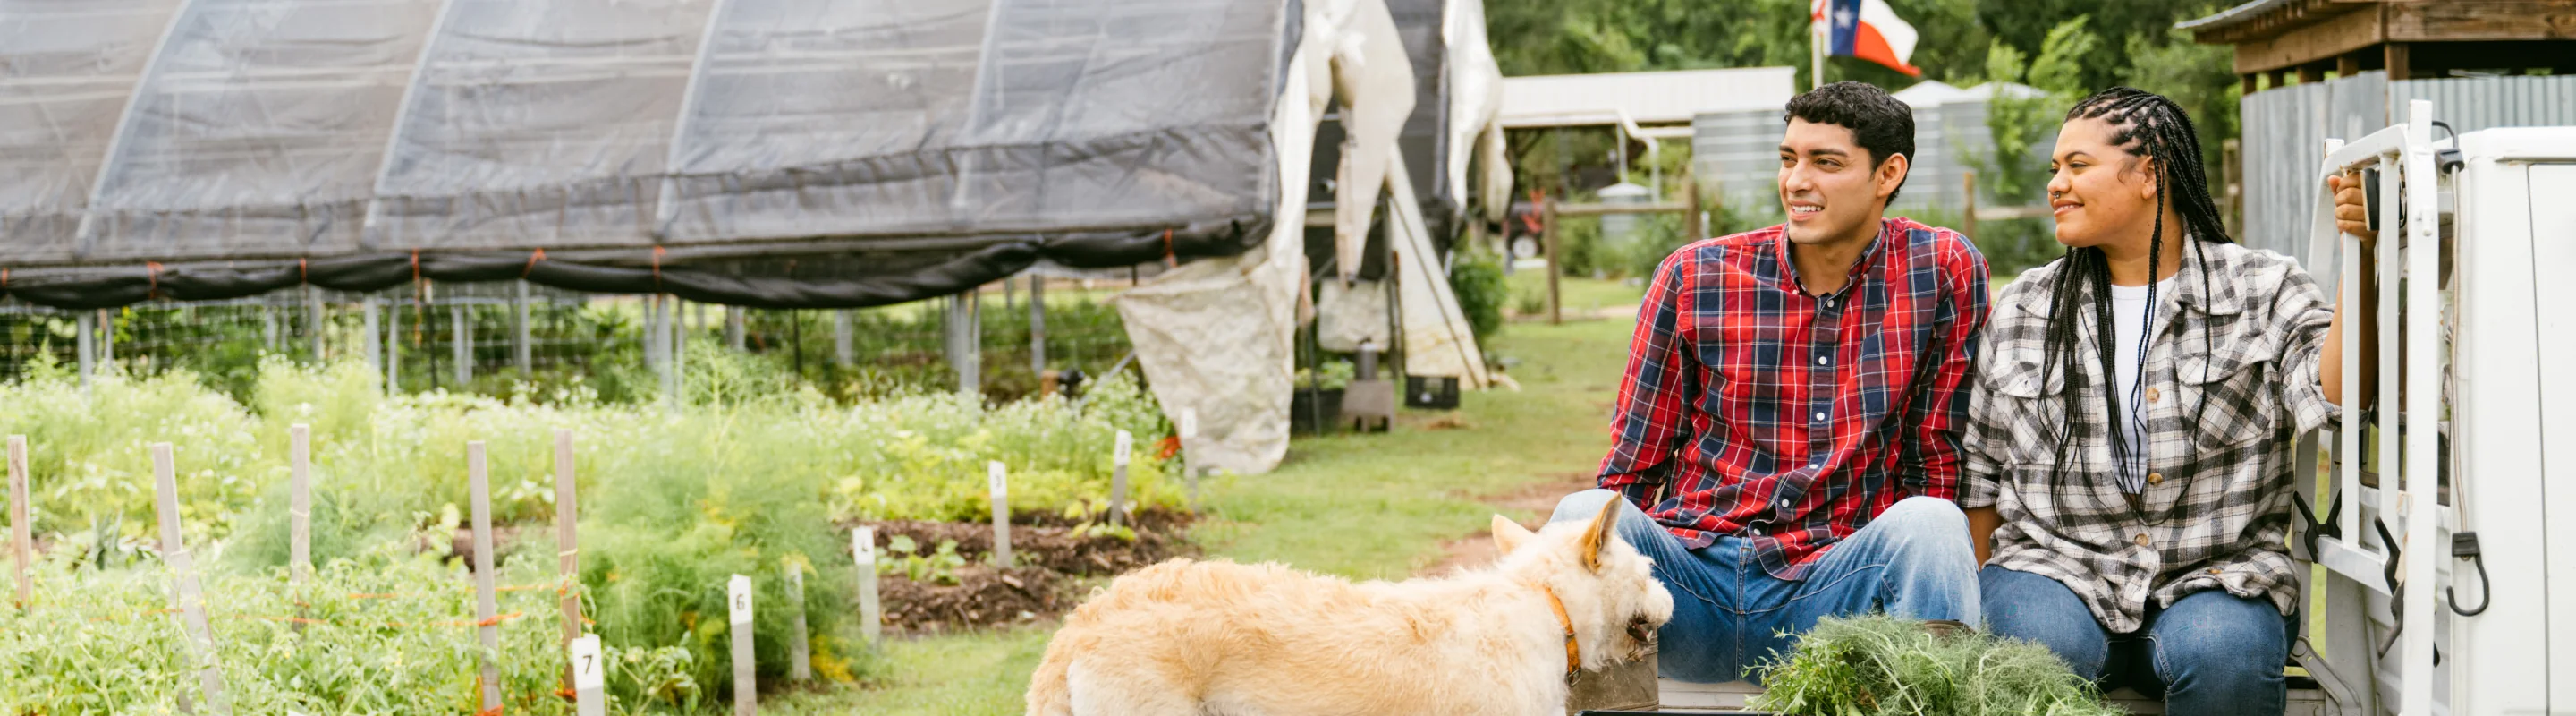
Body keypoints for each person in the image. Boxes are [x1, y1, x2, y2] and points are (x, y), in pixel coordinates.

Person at [1546, 81, 1989, 684]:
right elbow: (1633, 467)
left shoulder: (1939, 268)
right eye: (1789, 159)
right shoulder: (1694, 275)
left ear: (1888, 174)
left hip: (1833, 591)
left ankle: (1932, 698)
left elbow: (1934, 457)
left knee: (1934, 524)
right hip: (1686, 587)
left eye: (1825, 162)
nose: (1796, 181)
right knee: (1585, 511)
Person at [1961, 86, 2377, 716]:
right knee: (2030, 650)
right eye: (2055, 169)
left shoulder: (2260, 289)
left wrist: (2362, 256)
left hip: (2218, 576)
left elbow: (2339, 395)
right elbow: (1982, 475)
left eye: (2077, 166)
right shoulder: (2028, 306)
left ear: (2151, 172)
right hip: (2055, 570)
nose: (2057, 185)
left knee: (2226, 658)